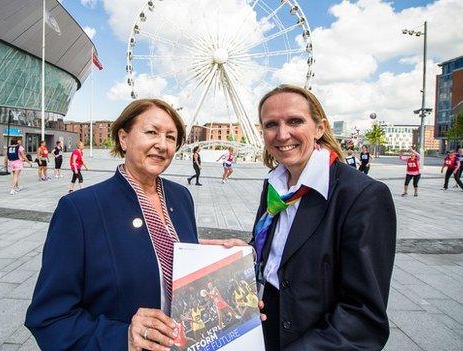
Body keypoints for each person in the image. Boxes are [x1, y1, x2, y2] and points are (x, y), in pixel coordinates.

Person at [206, 85, 396, 350]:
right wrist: (248, 255)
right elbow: (285, 254)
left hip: (314, 337)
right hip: (262, 325)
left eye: (295, 121)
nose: (283, 134)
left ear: (320, 127)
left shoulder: (362, 195)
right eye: (271, 124)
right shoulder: (274, 186)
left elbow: (363, 318)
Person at [25, 99, 198, 350]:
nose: (162, 145)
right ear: (124, 138)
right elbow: (50, 318)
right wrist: (122, 338)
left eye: (171, 138)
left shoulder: (181, 197)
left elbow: (171, 260)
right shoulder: (79, 209)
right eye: (151, 132)